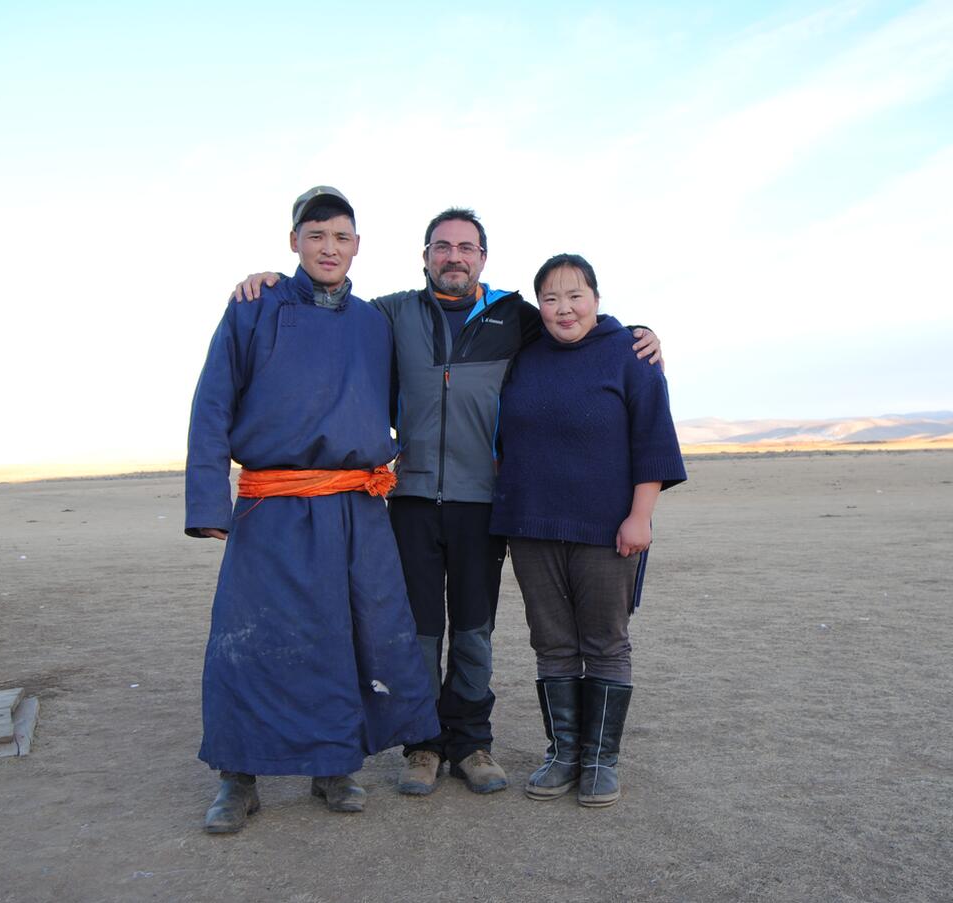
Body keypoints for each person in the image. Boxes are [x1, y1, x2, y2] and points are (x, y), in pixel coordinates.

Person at [231, 209, 662, 797]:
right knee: (418, 630)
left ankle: (472, 742)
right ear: (425, 255)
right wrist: (274, 283)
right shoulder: (390, 314)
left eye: (466, 247)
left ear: (483, 257)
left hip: (484, 503)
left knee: (474, 630)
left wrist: (637, 332)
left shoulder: (518, 317)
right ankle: (423, 745)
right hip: (407, 498)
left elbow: (578, 326)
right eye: (442, 246)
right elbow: (327, 304)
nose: (454, 256)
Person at [185, 186, 440, 834]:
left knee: (348, 639)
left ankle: (334, 767)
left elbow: (383, 399)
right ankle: (236, 779)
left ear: (357, 246)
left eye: (342, 236)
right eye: (316, 234)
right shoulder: (254, 306)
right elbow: (213, 404)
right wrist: (208, 501)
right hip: (274, 509)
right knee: (250, 644)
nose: (330, 247)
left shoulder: (371, 324)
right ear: (294, 240)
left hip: (355, 507)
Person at [489, 253, 686, 808]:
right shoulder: (522, 357)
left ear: (597, 299)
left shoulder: (630, 356)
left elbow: (653, 441)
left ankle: (601, 759)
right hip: (531, 524)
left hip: (607, 530)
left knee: (604, 643)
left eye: (575, 296)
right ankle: (563, 753)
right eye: (550, 298)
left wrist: (640, 515)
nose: (563, 308)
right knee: (551, 644)